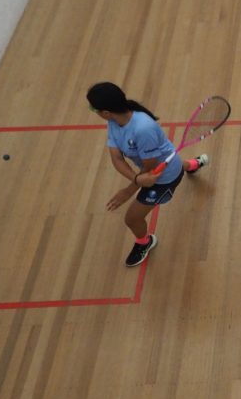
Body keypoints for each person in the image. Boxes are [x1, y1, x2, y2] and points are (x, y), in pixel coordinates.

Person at [87, 82, 208, 267]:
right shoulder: (114, 122)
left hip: (163, 179)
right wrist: (136, 179)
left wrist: (129, 190)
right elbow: (116, 157)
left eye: (92, 108)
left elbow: (149, 171)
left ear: (105, 112)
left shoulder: (143, 129)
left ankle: (145, 242)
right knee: (173, 164)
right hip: (161, 164)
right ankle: (192, 164)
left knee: (132, 218)